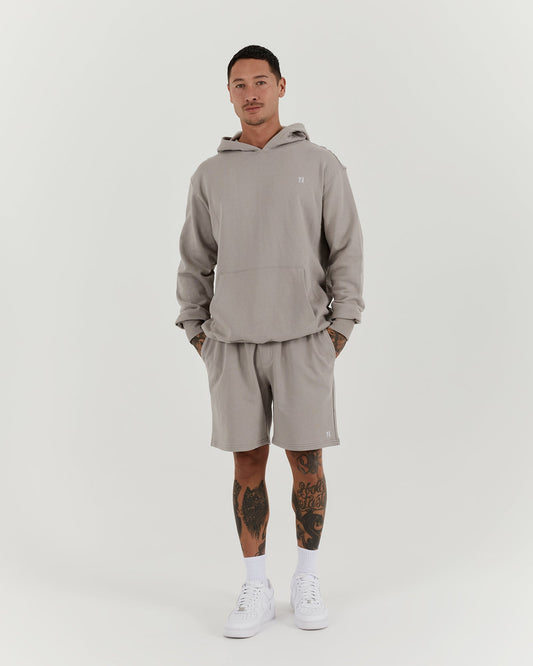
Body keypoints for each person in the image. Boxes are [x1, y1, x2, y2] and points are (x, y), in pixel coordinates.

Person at [174, 44, 365, 638]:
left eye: (261, 81)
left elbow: (346, 248)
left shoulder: (320, 164)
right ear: (229, 94)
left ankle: (306, 577)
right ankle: (255, 585)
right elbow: (195, 259)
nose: (250, 93)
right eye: (239, 84)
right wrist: (197, 331)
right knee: (247, 466)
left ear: (281, 86)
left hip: (304, 340)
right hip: (232, 345)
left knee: (307, 464)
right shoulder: (210, 174)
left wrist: (339, 329)